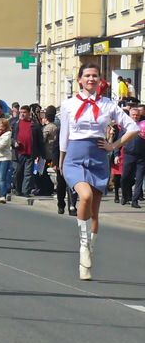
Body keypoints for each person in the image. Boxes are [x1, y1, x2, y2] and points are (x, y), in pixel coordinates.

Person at [59, 63, 138, 280]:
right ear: (80, 79)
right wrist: (61, 162)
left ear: (100, 80)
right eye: (87, 76)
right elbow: (64, 136)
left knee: (94, 211)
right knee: (83, 196)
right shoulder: (68, 104)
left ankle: (87, 259)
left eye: (95, 76)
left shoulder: (108, 105)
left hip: (98, 157)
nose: (91, 79)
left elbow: (133, 127)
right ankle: (84, 246)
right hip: (74, 157)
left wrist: (114, 146)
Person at [10, 105, 45, 197]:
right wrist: (14, 143)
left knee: (28, 173)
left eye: (24, 112)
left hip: (30, 153)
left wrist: (41, 154)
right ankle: (18, 189)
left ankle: (26, 191)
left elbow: (40, 141)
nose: (22, 114)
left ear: (29, 113)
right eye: (21, 112)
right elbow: (11, 137)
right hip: (19, 152)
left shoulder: (35, 125)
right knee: (18, 172)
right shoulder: (16, 124)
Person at [120, 104, 144, 207]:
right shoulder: (126, 127)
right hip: (129, 155)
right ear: (130, 116)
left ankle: (135, 200)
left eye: (137, 115)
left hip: (142, 157)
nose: (135, 117)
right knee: (125, 178)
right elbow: (119, 140)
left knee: (139, 179)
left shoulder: (143, 125)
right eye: (133, 115)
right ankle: (125, 196)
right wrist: (116, 154)